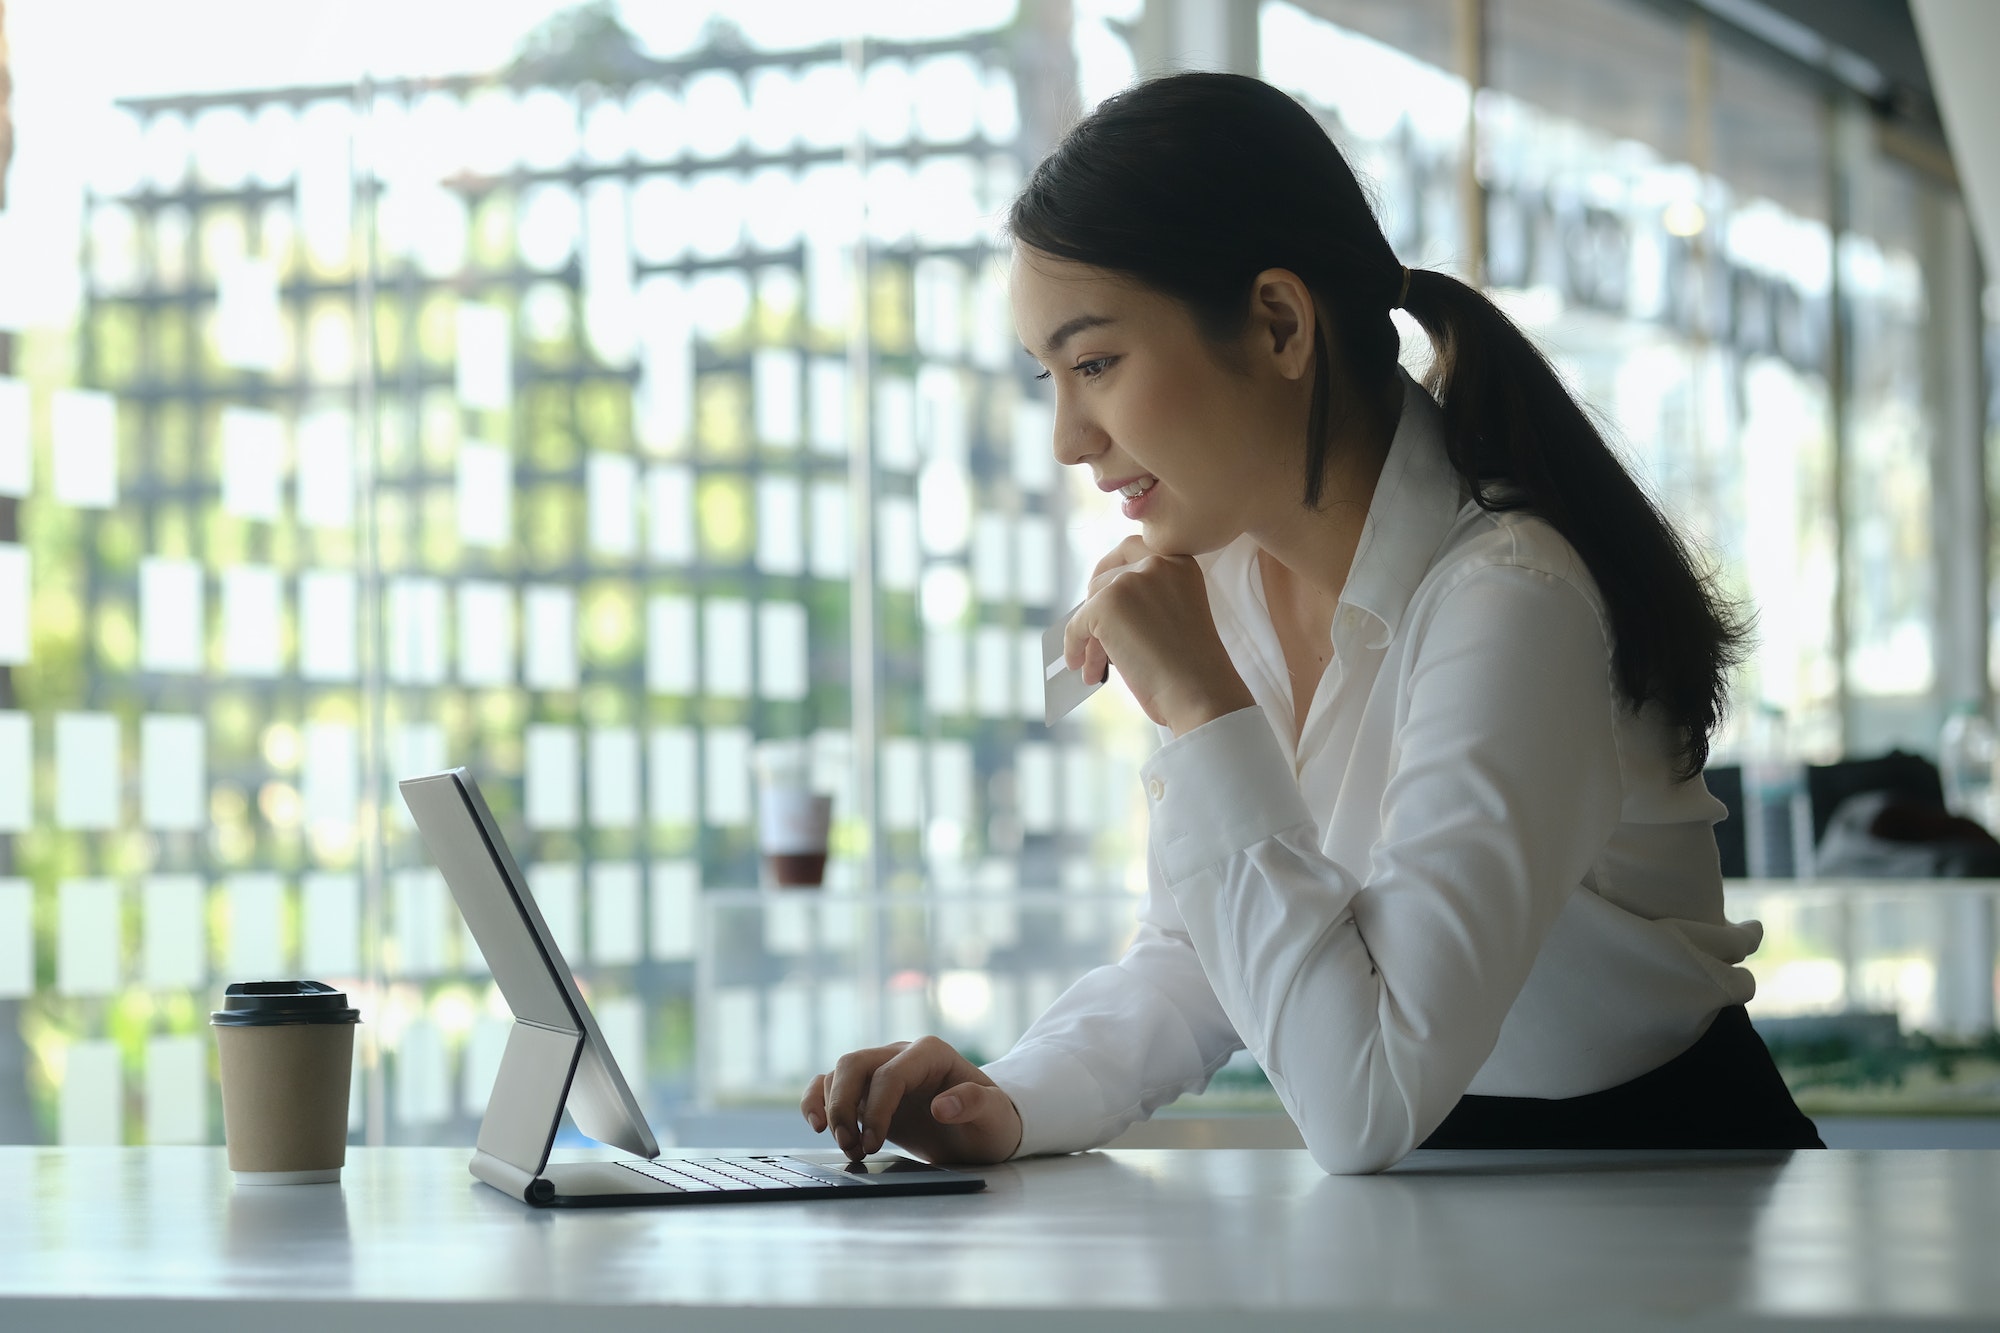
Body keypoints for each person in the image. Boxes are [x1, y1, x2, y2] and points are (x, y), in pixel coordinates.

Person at [799, 71, 1823, 1173]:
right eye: (1049, 374)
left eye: (1093, 363)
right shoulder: (1227, 580)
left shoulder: (1511, 601)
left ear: (1279, 323)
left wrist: (1201, 709)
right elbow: (1203, 957)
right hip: (1447, 1207)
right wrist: (998, 1103)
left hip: (1667, 1199)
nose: (1065, 437)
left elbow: (1363, 1101)